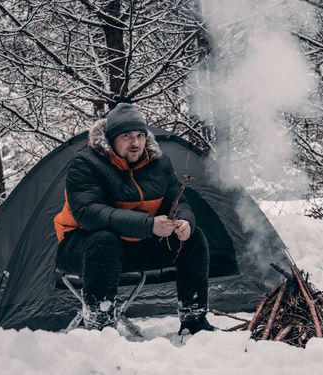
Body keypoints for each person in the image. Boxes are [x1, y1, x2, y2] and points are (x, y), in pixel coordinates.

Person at [54, 103, 215, 334]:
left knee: (194, 238)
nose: (135, 142)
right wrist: (149, 226)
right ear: (110, 139)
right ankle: (100, 330)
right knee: (103, 240)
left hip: (134, 247)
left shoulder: (160, 163)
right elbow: (89, 214)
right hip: (82, 248)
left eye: (140, 135)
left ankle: (194, 321)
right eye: (127, 136)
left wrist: (184, 222)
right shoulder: (85, 163)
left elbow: (178, 201)